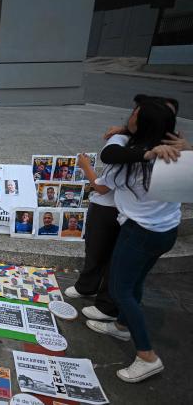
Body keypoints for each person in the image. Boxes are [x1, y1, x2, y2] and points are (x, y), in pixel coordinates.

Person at [85, 97, 184, 383]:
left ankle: (147, 356)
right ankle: (122, 325)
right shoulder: (177, 156)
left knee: (121, 290)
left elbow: (107, 162)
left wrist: (142, 149)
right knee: (136, 281)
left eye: (134, 115)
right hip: (165, 231)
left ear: (140, 124)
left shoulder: (131, 160)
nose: (129, 117)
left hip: (139, 232)